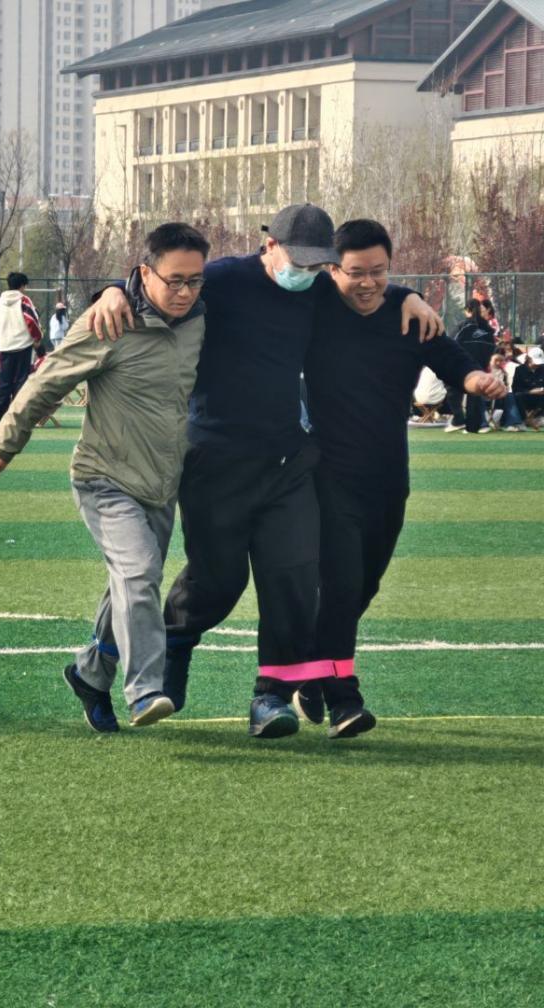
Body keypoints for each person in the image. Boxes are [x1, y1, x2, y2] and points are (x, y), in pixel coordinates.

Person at [88, 203, 445, 738]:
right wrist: (113, 290)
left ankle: (270, 697)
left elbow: (365, 289)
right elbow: (163, 284)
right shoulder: (224, 279)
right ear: (269, 245)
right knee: (218, 582)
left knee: (293, 581)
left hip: (288, 462)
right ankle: (176, 645)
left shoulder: (319, 287)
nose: (306, 272)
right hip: (215, 459)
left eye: (316, 264)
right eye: (297, 261)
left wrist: (408, 295)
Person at [0, 223, 210, 732]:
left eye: (195, 281)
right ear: (144, 273)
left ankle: (90, 673)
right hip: (104, 479)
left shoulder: (199, 320)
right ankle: (145, 690)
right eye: (174, 280)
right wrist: (2, 446)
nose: (185, 292)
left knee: (128, 584)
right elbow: (46, 381)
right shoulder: (109, 322)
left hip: (161, 485)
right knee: (139, 573)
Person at [300, 219, 506, 738]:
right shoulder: (313, 303)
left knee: (364, 587)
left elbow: (451, 360)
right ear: (332, 270)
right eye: (355, 273)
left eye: (379, 271)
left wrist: (476, 380)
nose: (368, 282)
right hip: (328, 476)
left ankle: (313, 664)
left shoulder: (407, 314)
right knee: (342, 585)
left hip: (389, 477)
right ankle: (344, 699)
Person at [0, 271, 43, 425]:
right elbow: (31, 320)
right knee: (21, 382)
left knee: (4, 382)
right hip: (23, 346)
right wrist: (37, 338)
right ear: (22, 285)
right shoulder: (24, 300)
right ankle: (18, 415)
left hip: (5, 347)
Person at [446, 299, 496, 433]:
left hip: (461, 365)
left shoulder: (463, 326)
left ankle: (458, 419)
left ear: (467, 310)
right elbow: (492, 347)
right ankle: (472, 427)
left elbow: (450, 343)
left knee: (451, 389)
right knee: (474, 394)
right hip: (480, 366)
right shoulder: (488, 329)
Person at [514, 346, 544, 429]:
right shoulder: (519, 370)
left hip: (540, 399)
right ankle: (525, 419)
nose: (537, 365)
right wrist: (530, 391)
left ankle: (534, 417)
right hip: (526, 397)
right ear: (529, 359)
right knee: (517, 396)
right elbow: (516, 388)